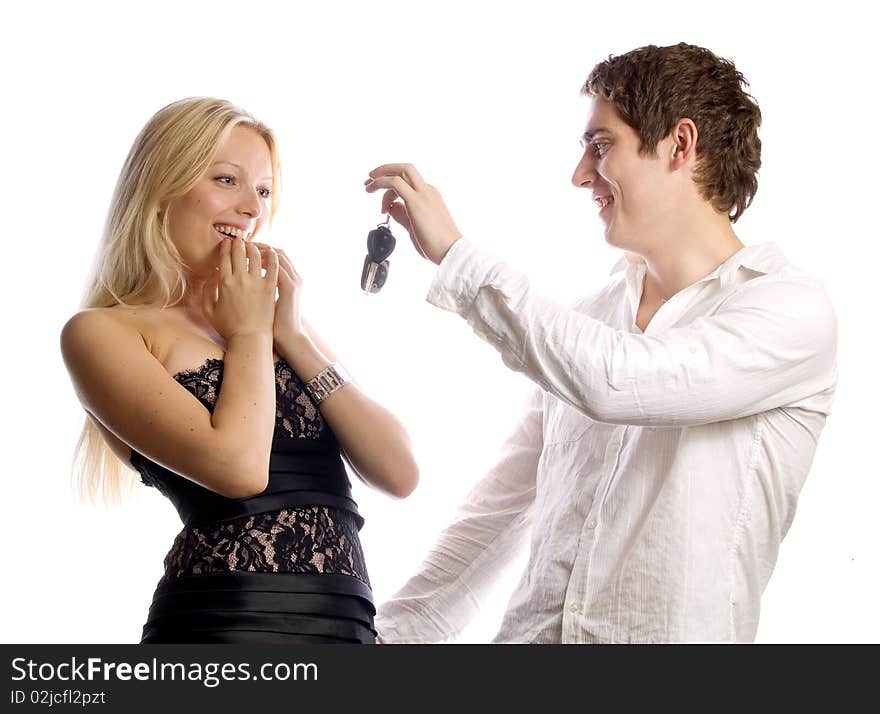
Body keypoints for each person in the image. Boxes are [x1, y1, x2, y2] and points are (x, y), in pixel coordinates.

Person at [364, 43, 838, 643]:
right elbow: (501, 510)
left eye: (601, 145)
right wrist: (385, 640)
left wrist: (458, 256)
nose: (580, 175)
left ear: (679, 145)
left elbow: (620, 382)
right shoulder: (588, 321)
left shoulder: (787, 311)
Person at [60, 97, 418, 644]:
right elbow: (239, 469)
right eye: (227, 180)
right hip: (225, 626)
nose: (252, 208)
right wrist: (251, 333)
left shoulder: (277, 323)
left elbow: (399, 471)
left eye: (264, 190)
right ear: (161, 190)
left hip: (346, 627)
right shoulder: (101, 333)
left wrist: (291, 335)